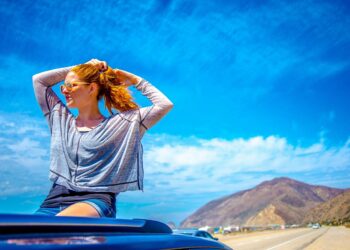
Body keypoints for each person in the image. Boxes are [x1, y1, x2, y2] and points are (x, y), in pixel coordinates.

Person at [32, 59, 173, 218]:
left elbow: (164, 105)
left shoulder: (123, 123)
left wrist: (134, 80)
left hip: (95, 200)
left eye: (72, 85)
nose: (64, 90)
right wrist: (82, 68)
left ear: (92, 88)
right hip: (54, 200)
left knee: (55, 228)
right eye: (63, 86)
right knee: (16, 235)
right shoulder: (59, 117)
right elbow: (39, 80)